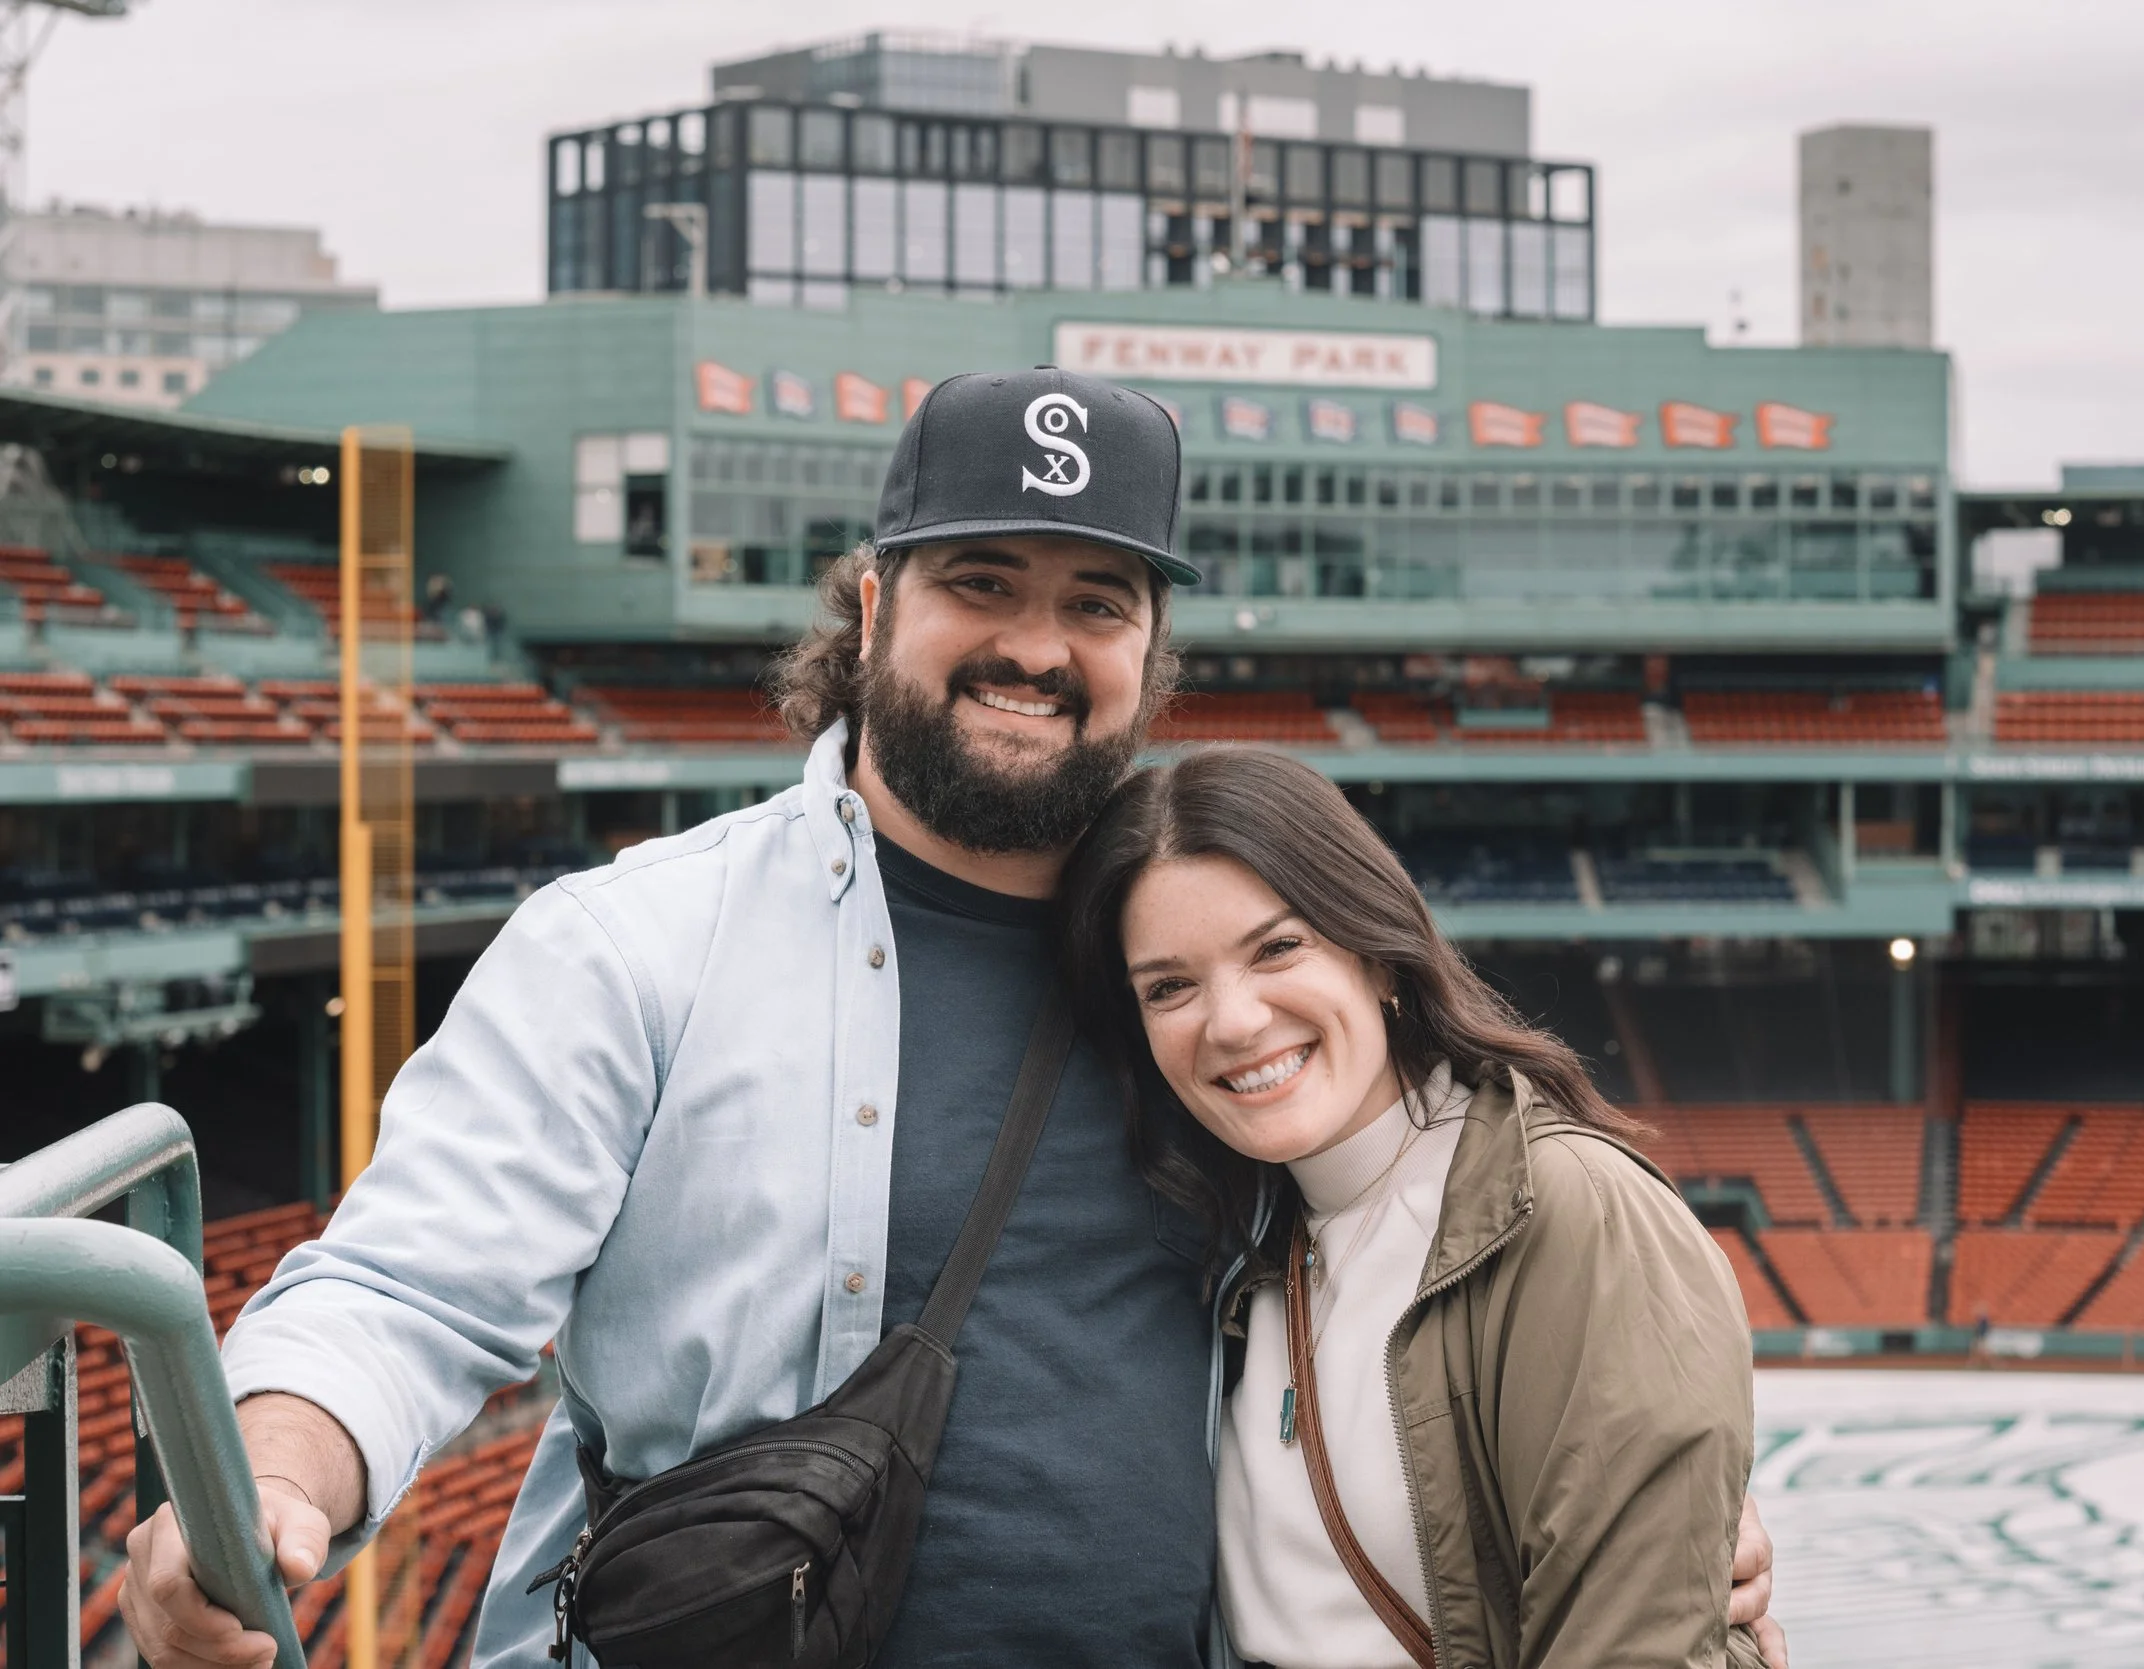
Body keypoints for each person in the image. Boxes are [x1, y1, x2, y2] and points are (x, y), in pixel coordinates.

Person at [118, 365, 1782, 1669]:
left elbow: (1410, 1273)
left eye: (1098, 601)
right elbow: (407, 1278)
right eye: (983, 580)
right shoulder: (641, 939)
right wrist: (266, 1474)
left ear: (1151, 645)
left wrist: (1641, 1501)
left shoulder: (1200, 966)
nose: (1037, 645)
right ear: (870, 606)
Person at [1061, 745, 1773, 1669]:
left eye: (1278, 947)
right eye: (1169, 987)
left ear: (1380, 954)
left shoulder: (1566, 1211)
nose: (1231, 1021)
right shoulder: (1234, 1250)